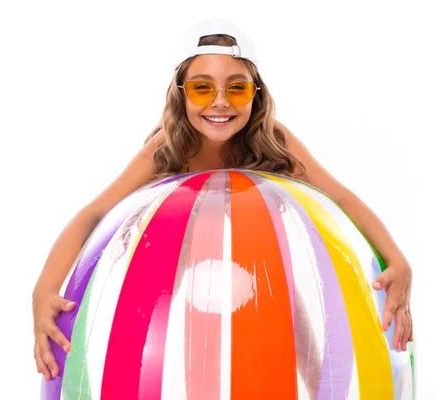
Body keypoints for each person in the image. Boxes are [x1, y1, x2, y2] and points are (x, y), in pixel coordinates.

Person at [32, 18, 414, 381]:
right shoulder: (168, 148)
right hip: (174, 257)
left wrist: (397, 260)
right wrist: (44, 288)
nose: (220, 102)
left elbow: (341, 198)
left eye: (237, 88)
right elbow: (95, 213)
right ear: (180, 94)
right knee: (153, 332)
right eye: (202, 88)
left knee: (294, 328)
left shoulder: (273, 142)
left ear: (256, 94)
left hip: (260, 257)